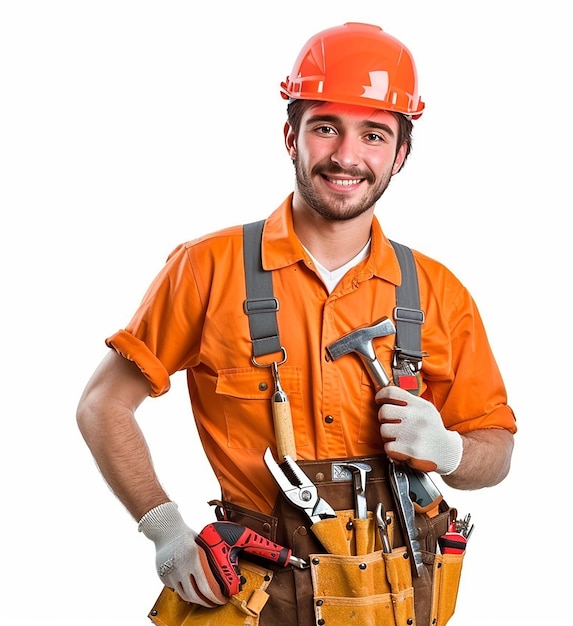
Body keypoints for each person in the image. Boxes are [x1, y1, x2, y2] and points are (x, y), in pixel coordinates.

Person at [77, 22, 516, 626]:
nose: (347, 156)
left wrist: (450, 449)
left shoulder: (440, 294)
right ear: (291, 136)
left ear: (402, 154)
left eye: (375, 134)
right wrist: (164, 528)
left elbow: (497, 451)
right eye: (326, 127)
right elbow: (102, 404)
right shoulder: (207, 270)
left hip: (394, 596)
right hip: (254, 593)